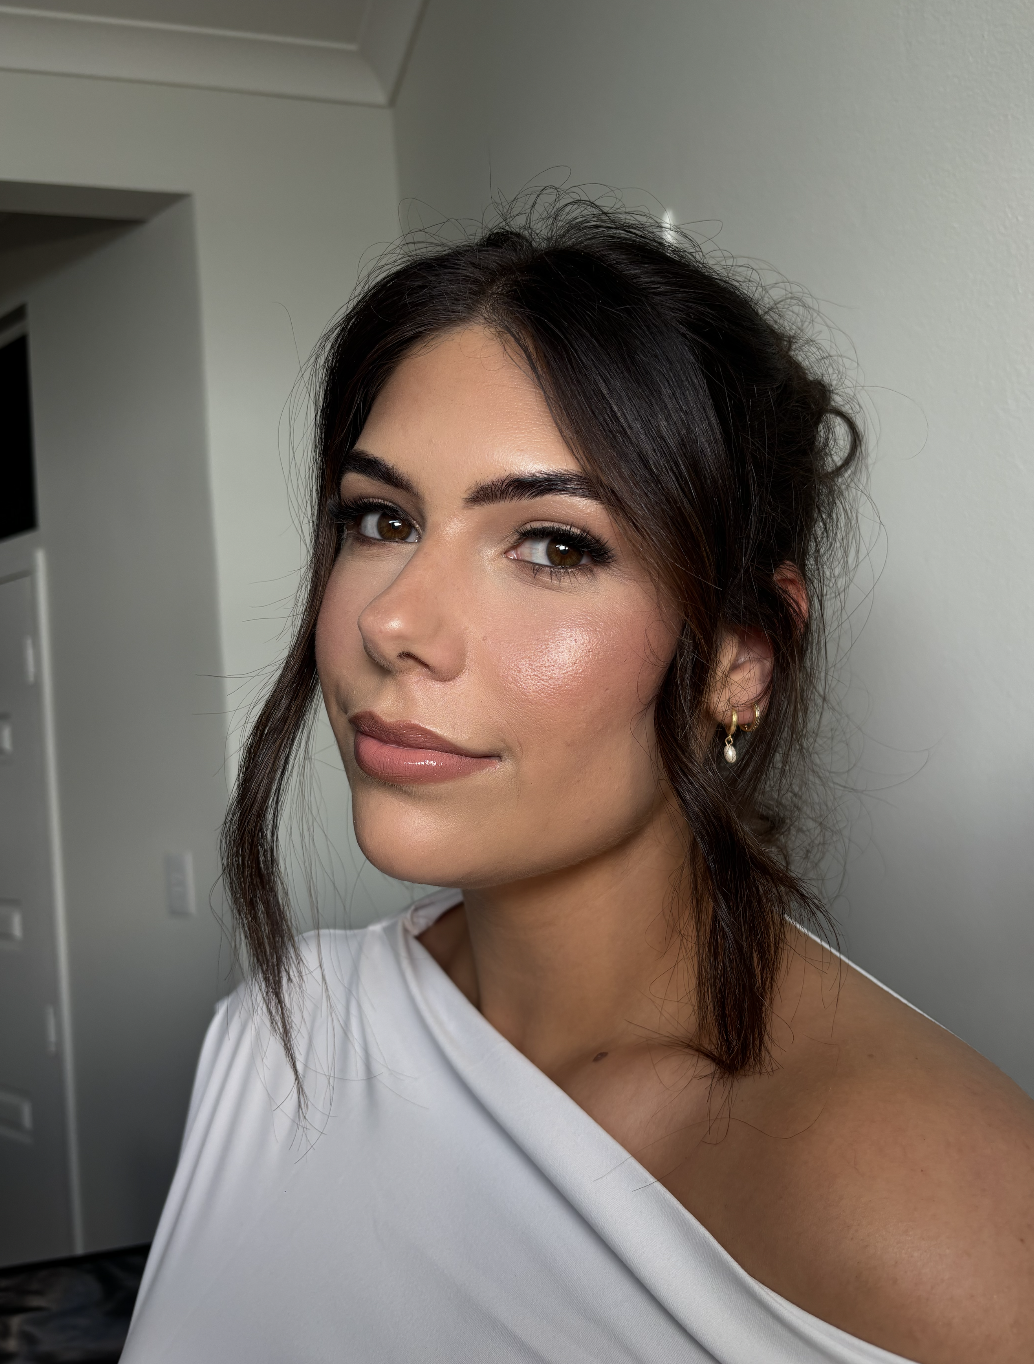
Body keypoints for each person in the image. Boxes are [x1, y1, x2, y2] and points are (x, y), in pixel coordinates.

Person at [123, 198, 1034, 1364]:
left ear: (740, 655)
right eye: (379, 516)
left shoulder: (931, 1205)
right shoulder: (271, 1037)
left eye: (554, 543)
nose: (394, 619)